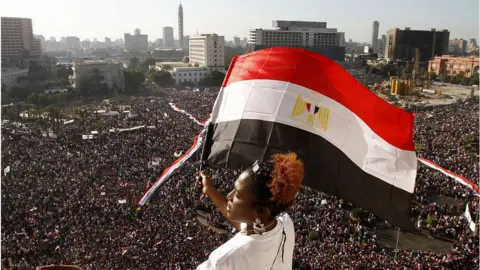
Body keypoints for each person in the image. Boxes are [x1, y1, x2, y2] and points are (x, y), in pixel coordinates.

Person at [196, 152, 304, 270]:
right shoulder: (285, 223)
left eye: (237, 195)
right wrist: (209, 190)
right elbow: (249, 227)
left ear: (261, 211)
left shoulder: (223, 261)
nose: (229, 196)